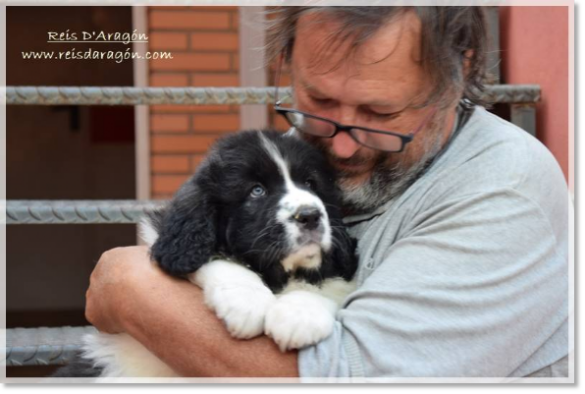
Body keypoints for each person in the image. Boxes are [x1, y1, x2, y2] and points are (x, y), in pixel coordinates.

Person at [85, 6, 570, 377]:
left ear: (457, 75)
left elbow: (340, 374)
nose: (338, 145)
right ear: (285, 58)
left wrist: (132, 288)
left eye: (380, 114)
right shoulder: (304, 153)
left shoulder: (502, 189)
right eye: (317, 99)